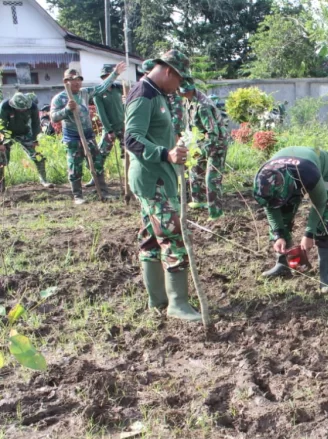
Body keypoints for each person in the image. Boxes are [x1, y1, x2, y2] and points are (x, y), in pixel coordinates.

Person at [125, 49, 201, 322]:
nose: (179, 87)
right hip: (152, 179)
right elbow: (131, 139)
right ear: (169, 71)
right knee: (172, 237)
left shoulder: (156, 94)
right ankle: (178, 304)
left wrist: (174, 147)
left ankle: (158, 300)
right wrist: (165, 154)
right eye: (179, 80)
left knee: (150, 238)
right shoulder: (143, 94)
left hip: (158, 178)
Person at [253, 146, 328, 294]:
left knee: (324, 222)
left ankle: (326, 276)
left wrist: (309, 233)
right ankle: (282, 264)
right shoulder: (261, 181)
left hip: (321, 170)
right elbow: (270, 206)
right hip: (290, 176)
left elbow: (320, 203)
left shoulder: (308, 174)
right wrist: (278, 234)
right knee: (282, 219)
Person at [50, 62, 125, 204]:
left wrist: (115, 74)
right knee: (75, 166)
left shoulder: (85, 92)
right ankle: (78, 195)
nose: (77, 83)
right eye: (73, 80)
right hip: (73, 137)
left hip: (88, 135)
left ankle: (102, 190)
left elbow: (101, 87)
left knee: (97, 163)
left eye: (79, 79)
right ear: (66, 82)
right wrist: (66, 110)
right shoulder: (60, 98)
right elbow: (53, 117)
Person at [179, 81, 229, 220]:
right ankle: (199, 200)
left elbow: (213, 132)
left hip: (216, 143)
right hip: (200, 141)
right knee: (194, 170)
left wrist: (204, 150)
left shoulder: (203, 106)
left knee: (211, 177)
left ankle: (216, 212)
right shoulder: (188, 101)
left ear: (188, 91)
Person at [0, 92, 52, 191]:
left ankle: (44, 180)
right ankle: (1, 185)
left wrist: (35, 139)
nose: (23, 110)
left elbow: (36, 124)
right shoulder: (4, 106)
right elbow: (0, 124)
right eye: (20, 109)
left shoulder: (32, 106)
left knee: (38, 155)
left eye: (24, 108)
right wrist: (1, 142)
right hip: (7, 133)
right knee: (1, 158)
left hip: (24, 132)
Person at [88, 64, 126, 188]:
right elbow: (102, 114)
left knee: (127, 152)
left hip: (122, 126)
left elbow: (124, 105)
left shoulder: (118, 89)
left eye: (110, 76)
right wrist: (109, 131)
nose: (108, 78)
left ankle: (129, 177)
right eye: (105, 76)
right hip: (109, 128)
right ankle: (96, 178)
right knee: (101, 154)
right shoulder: (98, 93)